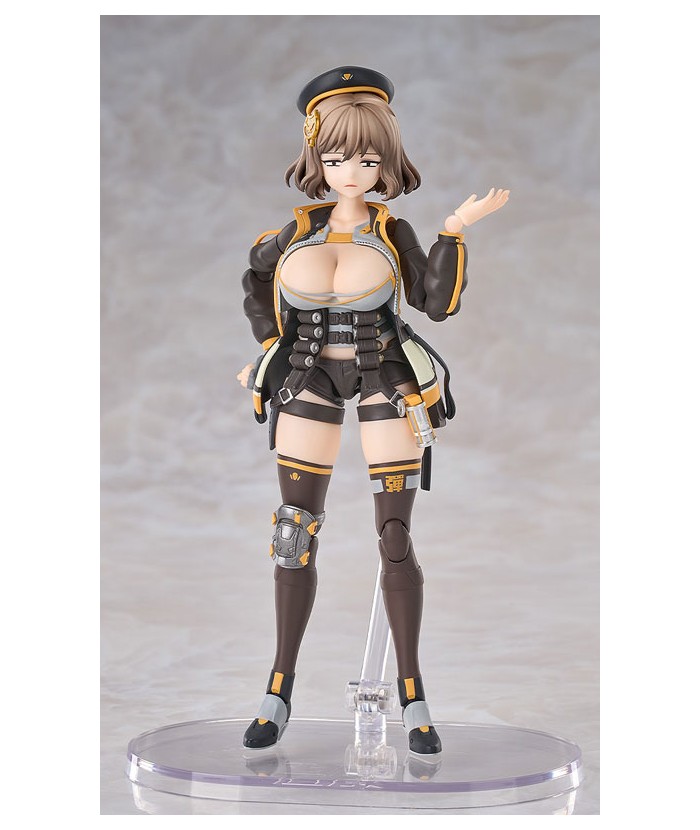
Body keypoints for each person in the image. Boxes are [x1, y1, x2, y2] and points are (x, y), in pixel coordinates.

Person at [237, 66, 509, 755]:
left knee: (394, 535)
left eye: (366, 159)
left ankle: (412, 693)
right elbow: (257, 281)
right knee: (294, 532)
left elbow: (436, 303)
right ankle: (278, 688)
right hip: (307, 377)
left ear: (385, 161)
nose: (351, 172)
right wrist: (267, 349)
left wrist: (454, 231)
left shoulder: (393, 232)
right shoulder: (294, 232)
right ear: (316, 158)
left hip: (385, 373)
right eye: (336, 158)